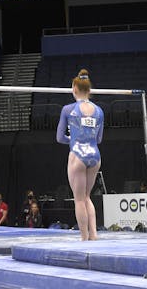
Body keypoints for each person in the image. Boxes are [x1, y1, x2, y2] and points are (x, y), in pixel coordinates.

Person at [56, 69, 104, 241]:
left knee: (78, 199)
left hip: (77, 154)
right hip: (94, 155)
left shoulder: (68, 110)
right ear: (89, 90)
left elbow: (60, 137)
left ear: (74, 89)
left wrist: (73, 138)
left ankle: (84, 237)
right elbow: (98, 138)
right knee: (87, 197)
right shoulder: (99, 111)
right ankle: (94, 234)